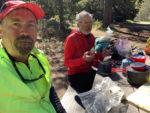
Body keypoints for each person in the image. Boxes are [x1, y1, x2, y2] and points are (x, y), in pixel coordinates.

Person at [0, 1, 66, 113]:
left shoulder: (39, 56)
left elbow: (49, 92)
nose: (25, 32)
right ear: (1, 30)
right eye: (16, 23)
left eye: (30, 25)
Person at [64, 10, 110, 94]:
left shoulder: (91, 37)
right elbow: (67, 62)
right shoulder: (71, 39)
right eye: (85, 23)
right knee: (92, 94)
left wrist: (102, 55)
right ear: (78, 24)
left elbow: (92, 56)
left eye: (90, 22)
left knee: (106, 84)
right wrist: (83, 60)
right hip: (75, 75)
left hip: (88, 71)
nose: (89, 26)